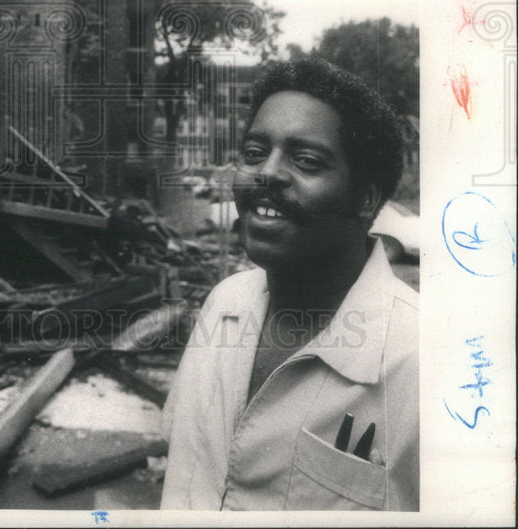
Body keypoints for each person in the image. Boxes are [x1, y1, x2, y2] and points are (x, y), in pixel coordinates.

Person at [160, 57, 419, 511]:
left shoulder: (419, 363)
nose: (267, 173)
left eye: (306, 161)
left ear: (365, 199)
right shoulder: (225, 303)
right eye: (255, 153)